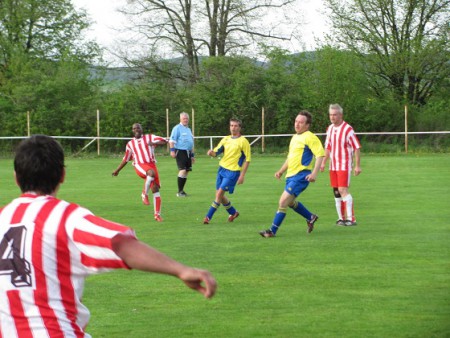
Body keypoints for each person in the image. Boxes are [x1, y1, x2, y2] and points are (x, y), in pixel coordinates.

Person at [0, 135, 217, 338]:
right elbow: (120, 244)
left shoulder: (3, 218)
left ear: (16, 178)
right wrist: (181, 270)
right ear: (62, 175)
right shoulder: (65, 218)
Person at [259, 111, 325, 237]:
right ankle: (310, 217)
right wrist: (281, 171)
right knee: (289, 202)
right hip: (291, 176)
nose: (297, 124)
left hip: (301, 175)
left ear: (307, 125)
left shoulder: (310, 137)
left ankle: (272, 231)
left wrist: (314, 174)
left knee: (283, 201)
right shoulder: (295, 137)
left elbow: (320, 155)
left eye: (301, 122)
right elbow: (290, 158)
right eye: (296, 121)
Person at [112, 123, 167, 222]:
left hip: (151, 164)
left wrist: (154, 143)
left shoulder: (150, 137)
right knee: (151, 173)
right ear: (132, 131)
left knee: (156, 189)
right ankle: (144, 194)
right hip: (139, 165)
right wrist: (117, 170)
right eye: (134, 128)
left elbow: (164, 141)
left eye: (138, 128)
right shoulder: (130, 144)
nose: (136, 129)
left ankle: (157, 215)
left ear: (142, 129)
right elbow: (126, 159)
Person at [320, 103, 361, 226]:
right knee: (336, 191)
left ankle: (351, 219)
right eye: (331, 114)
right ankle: (341, 218)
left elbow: (357, 147)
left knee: (343, 189)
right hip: (333, 165)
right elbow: (328, 146)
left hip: (344, 165)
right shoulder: (330, 129)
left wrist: (357, 165)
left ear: (341, 115)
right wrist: (323, 162)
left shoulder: (348, 129)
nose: (332, 117)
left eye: (335, 115)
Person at [203, 118, 251, 224]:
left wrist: (242, 175)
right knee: (219, 194)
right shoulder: (225, 139)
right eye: (231, 125)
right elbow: (217, 152)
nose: (233, 128)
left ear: (240, 128)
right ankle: (233, 212)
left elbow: (247, 160)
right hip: (222, 169)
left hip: (233, 172)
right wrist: (211, 153)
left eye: (235, 126)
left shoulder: (244, 142)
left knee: (219, 194)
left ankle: (208, 217)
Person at [169, 112, 195, 197]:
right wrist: (172, 151)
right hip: (180, 151)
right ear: (180, 119)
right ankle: (179, 191)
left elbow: (191, 143)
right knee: (182, 170)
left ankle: (182, 191)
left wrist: (192, 155)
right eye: (184, 118)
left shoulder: (188, 129)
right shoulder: (177, 128)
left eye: (187, 119)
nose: (186, 120)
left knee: (186, 171)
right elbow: (172, 140)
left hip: (188, 152)